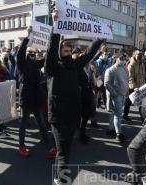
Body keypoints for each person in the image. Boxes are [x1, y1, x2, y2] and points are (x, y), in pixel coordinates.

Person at [46, 9, 104, 184]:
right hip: (57, 116)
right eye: (63, 50)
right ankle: (62, 181)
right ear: (58, 51)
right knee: (64, 152)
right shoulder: (52, 66)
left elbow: (88, 55)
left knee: (63, 149)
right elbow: (50, 49)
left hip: (73, 115)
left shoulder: (75, 65)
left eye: (68, 49)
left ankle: (57, 177)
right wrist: (55, 25)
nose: (67, 52)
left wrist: (100, 38)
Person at [17, 26, 56, 158]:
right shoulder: (22, 63)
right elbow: (19, 54)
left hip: (37, 99)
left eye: (34, 53)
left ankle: (50, 148)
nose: (33, 55)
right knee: (23, 124)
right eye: (30, 53)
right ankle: (21, 146)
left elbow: (47, 58)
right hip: (26, 99)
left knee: (42, 125)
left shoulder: (36, 64)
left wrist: (53, 40)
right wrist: (27, 36)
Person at [104, 53, 129, 142]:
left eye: (125, 59)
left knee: (115, 113)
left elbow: (127, 81)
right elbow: (106, 84)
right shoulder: (110, 70)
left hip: (123, 94)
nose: (123, 61)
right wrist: (114, 94)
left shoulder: (125, 68)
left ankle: (111, 129)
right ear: (117, 58)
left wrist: (127, 92)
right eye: (122, 59)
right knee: (118, 115)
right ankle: (118, 134)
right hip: (117, 95)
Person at [123, 50, 145, 122]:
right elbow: (130, 77)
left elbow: (143, 75)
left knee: (140, 102)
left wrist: (143, 85)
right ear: (134, 55)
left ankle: (143, 118)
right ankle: (125, 115)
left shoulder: (142, 64)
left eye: (141, 54)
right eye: (138, 54)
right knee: (128, 101)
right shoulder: (131, 64)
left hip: (140, 86)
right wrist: (134, 86)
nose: (140, 55)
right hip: (132, 86)